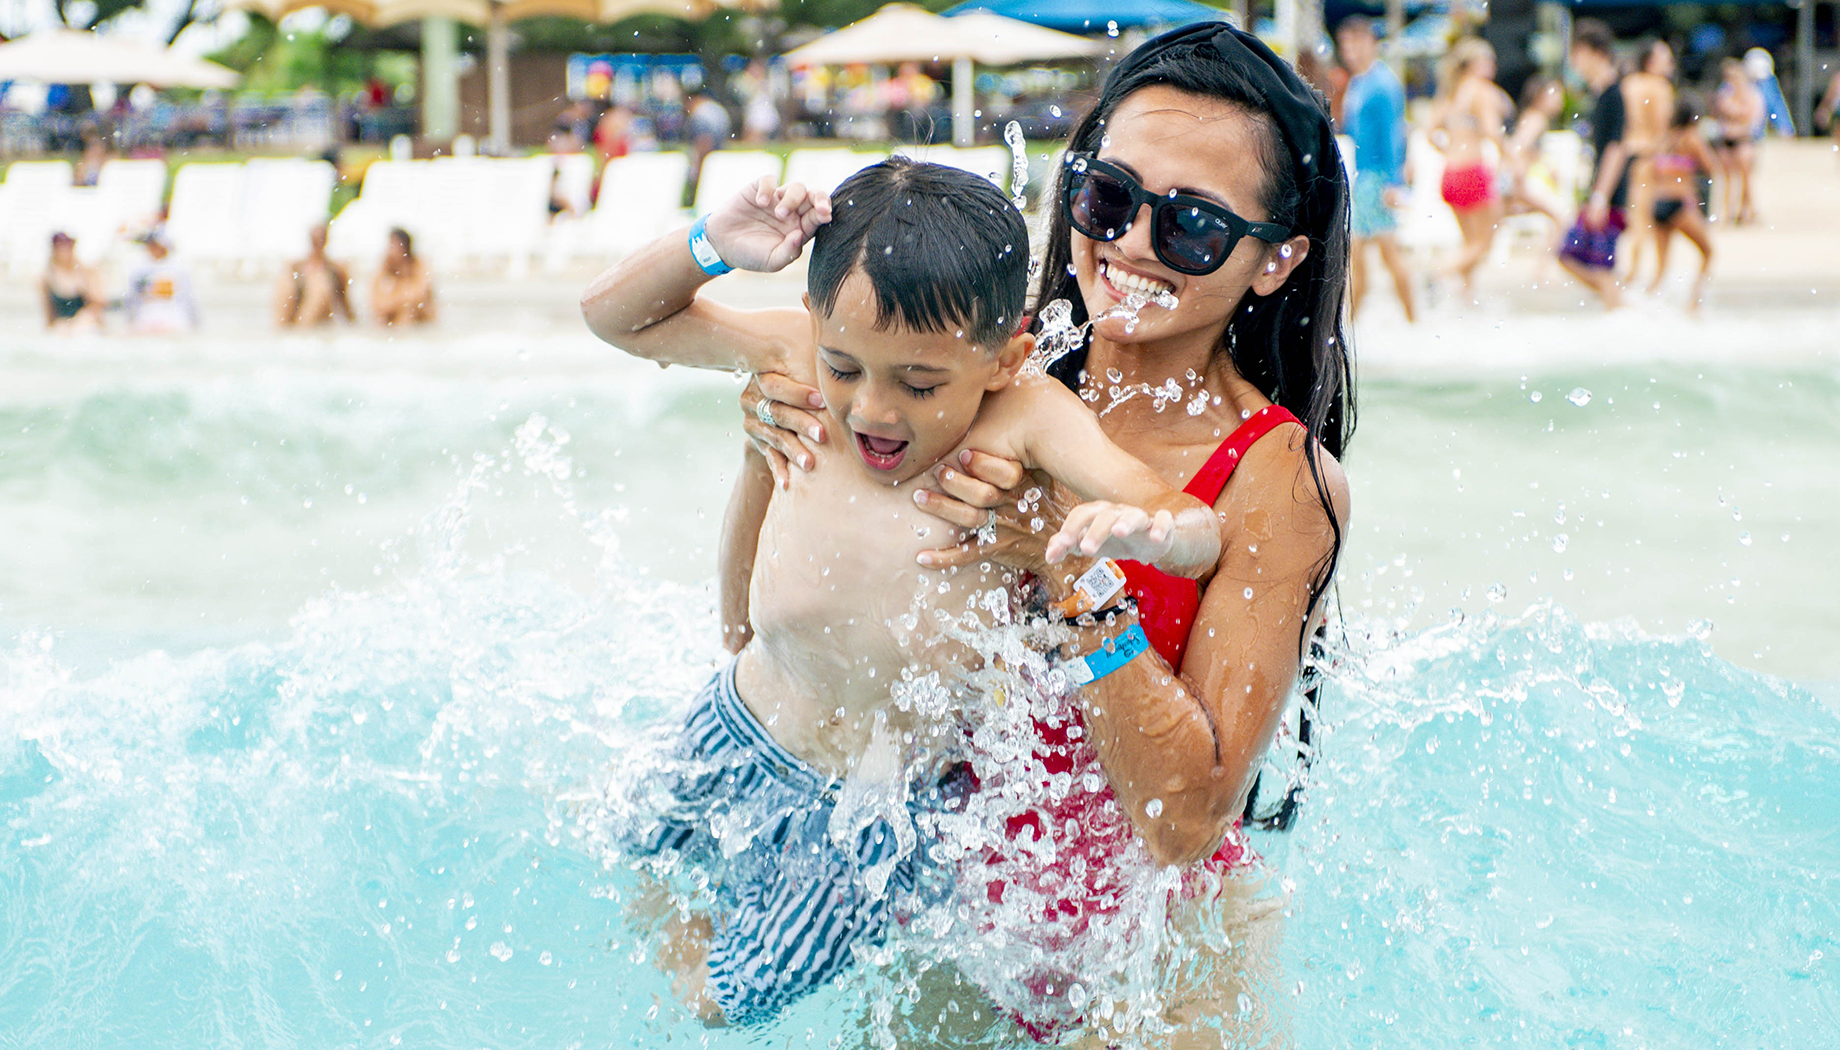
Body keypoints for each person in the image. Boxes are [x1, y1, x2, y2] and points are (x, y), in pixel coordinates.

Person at [738, 22, 1352, 1044]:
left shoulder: (1272, 476)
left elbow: (1182, 821)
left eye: (1193, 227)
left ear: (1274, 259)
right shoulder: (949, 380)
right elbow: (757, 642)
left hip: (1158, 966)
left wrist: (1068, 570)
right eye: (1108, 197)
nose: (1132, 245)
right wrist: (762, 452)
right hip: (945, 920)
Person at [579, 158, 1228, 1027]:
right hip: (735, 720)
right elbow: (612, 317)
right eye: (846, 368)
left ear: (1006, 358)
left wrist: (1148, 532)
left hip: (874, 805)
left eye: (920, 386)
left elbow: (1185, 520)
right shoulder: (795, 356)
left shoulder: (1028, 419)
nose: (873, 411)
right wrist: (712, 244)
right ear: (815, 325)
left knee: (724, 1000)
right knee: (630, 861)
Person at [1336, 16, 1415, 322]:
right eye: (1346, 45)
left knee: (1388, 255)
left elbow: (1395, 133)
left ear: (1371, 42)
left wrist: (1394, 182)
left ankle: (1414, 322)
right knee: (1357, 259)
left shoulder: (1383, 82)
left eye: (1357, 43)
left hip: (1379, 178)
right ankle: (1348, 326)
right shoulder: (1359, 81)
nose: (1351, 51)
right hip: (1364, 178)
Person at [1559, 20, 1634, 310]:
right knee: (1576, 258)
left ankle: (1621, 308)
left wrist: (1600, 196)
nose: (1575, 62)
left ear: (1595, 52)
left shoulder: (1614, 94)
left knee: (1597, 265)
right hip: (1603, 191)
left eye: (1577, 54)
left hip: (1610, 194)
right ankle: (1620, 305)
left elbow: (1617, 148)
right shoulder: (1602, 94)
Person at [1430, 37, 1510, 301]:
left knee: (1469, 242)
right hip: (1473, 172)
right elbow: (1492, 131)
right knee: (1483, 244)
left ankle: (1466, 297)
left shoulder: (1451, 93)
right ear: (1473, 64)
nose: (1492, 66)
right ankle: (1438, 274)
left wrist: (1450, 151)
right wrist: (1511, 156)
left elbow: (1430, 132)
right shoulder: (1481, 90)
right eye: (1487, 60)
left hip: (1450, 174)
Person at [1644, 95, 1716, 313]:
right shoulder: (1692, 139)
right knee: (1708, 251)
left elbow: (1652, 171)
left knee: (1661, 268)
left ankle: (1645, 305)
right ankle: (1694, 303)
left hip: (1658, 203)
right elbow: (1711, 167)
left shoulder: (1664, 139)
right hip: (1679, 203)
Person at [1711, 58, 1764, 224]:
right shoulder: (1725, 94)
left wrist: (1735, 113)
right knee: (1727, 179)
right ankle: (1728, 212)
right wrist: (1737, 113)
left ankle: (1747, 210)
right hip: (1728, 139)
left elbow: (1749, 116)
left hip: (1744, 139)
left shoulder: (1752, 94)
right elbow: (1727, 111)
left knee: (1746, 177)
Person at [273, 224, 354, 328]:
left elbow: (345, 305)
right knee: (311, 288)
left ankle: (299, 329)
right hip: (302, 320)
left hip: (320, 323)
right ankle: (299, 330)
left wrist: (353, 325)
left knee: (320, 289)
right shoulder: (296, 268)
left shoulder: (335, 270)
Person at [123, 229, 199, 334]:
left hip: (174, 317)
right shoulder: (139, 269)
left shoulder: (179, 268)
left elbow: (188, 297)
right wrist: (130, 320)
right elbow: (132, 297)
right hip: (146, 317)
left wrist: (194, 322)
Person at [371, 227, 435, 326]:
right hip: (391, 314)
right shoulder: (385, 266)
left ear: (405, 246)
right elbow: (375, 300)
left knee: (408, 311)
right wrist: (392, 303)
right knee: (382, 317)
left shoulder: (418, 264)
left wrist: (395, 300)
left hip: (418, 315)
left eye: (395, 245)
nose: (391, 249)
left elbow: (419, 293)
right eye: (390, 244)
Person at [41, 232, 104, 331]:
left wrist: (81, 320)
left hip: (85, 321)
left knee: (85, 326)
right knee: (60, 329)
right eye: (60, 247)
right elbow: (49, 311)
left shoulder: (86, 272)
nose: (64, 251)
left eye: (67, 247)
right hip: (62, 325)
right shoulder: (47, 277)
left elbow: (98, 304)